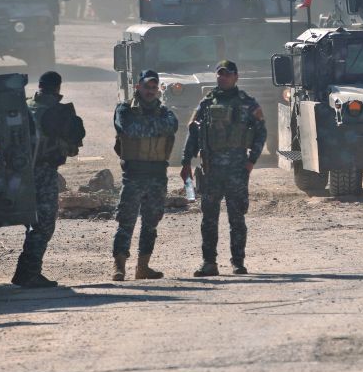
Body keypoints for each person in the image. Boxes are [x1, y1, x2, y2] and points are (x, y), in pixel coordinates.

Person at [180, 60, 266, 277]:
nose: (222, 78)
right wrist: (185, 162)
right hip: (211, 170)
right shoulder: (206, 103)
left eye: (227, 74)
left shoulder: (247, 103)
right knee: (209, 218)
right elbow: (193, 132)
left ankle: (238, 262)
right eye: (220, 74)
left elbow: (261, 132)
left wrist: (251, 161)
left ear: (236, 77)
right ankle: (209, 263)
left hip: (237, 170)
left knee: (237, 218)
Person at [13, 71, 84, 289]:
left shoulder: (24, 105)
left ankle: (25, 272)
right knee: (44, 224)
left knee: (32, 223)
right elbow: (73, 146)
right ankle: (28, 273)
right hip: (43, 172)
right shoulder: (57, 111)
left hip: (20, 173)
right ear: (57, 88)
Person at [112, 70, 178, 281]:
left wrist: (148, 127)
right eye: (146, 86)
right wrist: (155, 129)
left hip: (157, 175)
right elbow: (130, 130)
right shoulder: (124, 109)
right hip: (134, 175)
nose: (150, 91)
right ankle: (119, 267)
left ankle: (143, 267)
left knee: (151, 223)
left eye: (153, 87)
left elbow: (172, 126)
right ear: (137, 87)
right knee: (126, 222)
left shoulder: (165, 112)